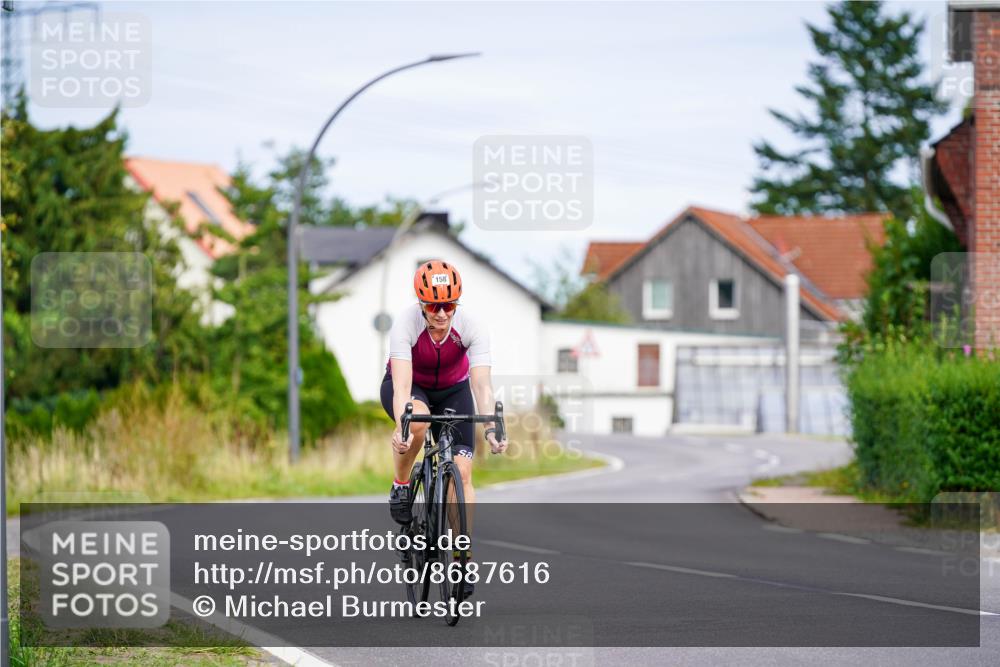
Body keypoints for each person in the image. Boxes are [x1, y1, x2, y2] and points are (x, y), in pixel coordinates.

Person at [380, 259, 508, 538]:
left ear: (457, 303)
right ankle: (401, 484)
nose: (440, 314)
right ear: (420, 304)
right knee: (417, 423)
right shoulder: (405, 323)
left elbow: (482, 384)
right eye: (432, 306)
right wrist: (403, 427)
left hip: (453, 390)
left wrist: (490, 430)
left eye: (449, 305)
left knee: (462, 473)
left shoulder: (472, 326)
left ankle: (462, 553)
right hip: (413, 386)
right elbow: (401, 386)